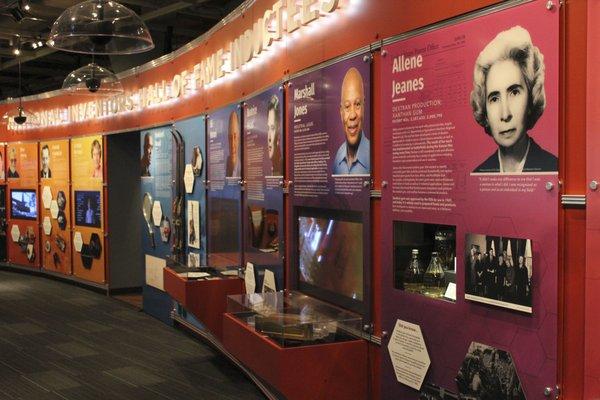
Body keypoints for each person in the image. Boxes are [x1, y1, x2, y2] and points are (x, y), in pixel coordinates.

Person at [470, 26, 557, 173]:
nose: (505, 114)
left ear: (531, 98)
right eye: (494, 98)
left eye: (514, 92)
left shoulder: (553, 168)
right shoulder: (479, 174)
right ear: (485, 112)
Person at [332, 67, 370, 175]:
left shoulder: (373, 156)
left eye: (357, 104)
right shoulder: (338, 157)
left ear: (364, 105)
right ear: (341, 112)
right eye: (347, 106)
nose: (352, 115)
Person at [267, 95, 283, 176]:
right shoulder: (273, 166)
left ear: (278, 132)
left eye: (272, 128)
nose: (269, 138)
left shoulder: (282, 167)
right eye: (268, 128)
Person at [226, 111, 241, 177]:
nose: (232, 145)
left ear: (239, 138)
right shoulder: (226, 165)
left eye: (235, 137)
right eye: (230, 138)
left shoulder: (243, 168)